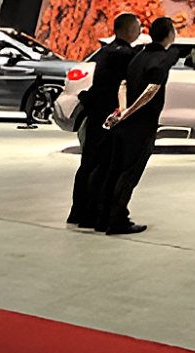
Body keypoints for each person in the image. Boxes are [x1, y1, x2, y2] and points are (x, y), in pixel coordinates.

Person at [100, 17, 178, 235]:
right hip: (142, 124)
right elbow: (152, 90)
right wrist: (130, 111)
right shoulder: (162, 59)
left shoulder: (139, 55)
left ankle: (104, 217)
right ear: (169, 34)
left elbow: (124, 83)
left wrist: (123, 111)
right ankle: (117, 219)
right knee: (129, 173)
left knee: (115, 170)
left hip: (125, 125)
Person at [67, 12, 141, 227]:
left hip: (96, 114)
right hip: (111, 116)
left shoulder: (104, 52)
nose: (139, 30)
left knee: (89, 163)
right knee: (105, 164)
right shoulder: (126, 56)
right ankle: (95, 214)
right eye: (137, 27)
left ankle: (78, 212)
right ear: (129, 30)